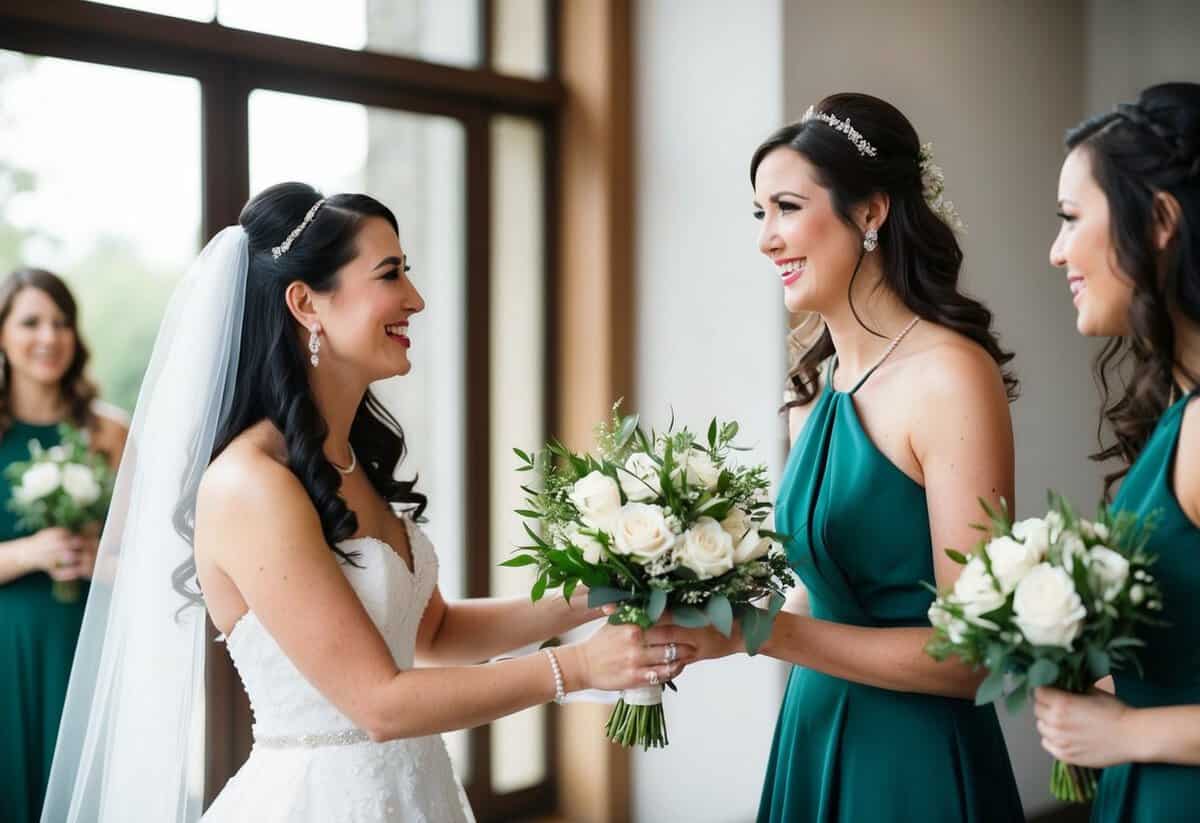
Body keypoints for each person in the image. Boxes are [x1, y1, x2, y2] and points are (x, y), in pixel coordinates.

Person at [42, 183, 693, 823]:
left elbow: (432, 632)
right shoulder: (252, 483)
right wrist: (577, 666)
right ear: (306, 303)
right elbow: (378, 701)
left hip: (415, 790)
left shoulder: (351, 457)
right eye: (391, 274)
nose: (416, 298)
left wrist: (591, 595)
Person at [646, 93, 1024, 822]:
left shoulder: (950, 375)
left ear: (871, 212)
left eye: (787, 206)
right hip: (812, 728)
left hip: (913, 759)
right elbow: (823, 590)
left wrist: (762, 633)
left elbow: (976, 652)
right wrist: (716, 622)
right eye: (759, 214)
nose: (766, 239)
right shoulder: (812, 390)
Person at [1035, 82, 1200, 822]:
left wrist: (1130, 727)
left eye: (1072, 220)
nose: (1056, 250)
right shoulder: (1179, 409)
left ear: (1161, 220)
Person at [0, 267, 128, 823]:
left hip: (81, 643)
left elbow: (142, 560)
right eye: (31, 322)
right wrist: (29, 552)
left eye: (61, 323)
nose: (49, 337)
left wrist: (98, 560)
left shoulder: (108, 434)